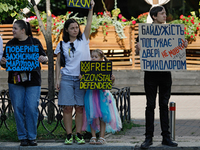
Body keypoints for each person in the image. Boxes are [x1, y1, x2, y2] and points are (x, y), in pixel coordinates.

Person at [135, 6, 188, 149]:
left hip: (165, 74)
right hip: (150, 75)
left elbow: (176, 50)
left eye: (165, 13)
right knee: (150, 105)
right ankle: (148, 138)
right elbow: (137, 50)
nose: (165, 15)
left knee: (164, 105)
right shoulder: (145, 32)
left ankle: (166, 137)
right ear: (154, 16)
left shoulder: (171, 32)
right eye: (162, 13)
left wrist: (183, 46)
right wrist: (138, 48)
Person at [0, 20, 48, 146]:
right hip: (15, 81)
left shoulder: (35, 42)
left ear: (23, 30)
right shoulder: (10, 44)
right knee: (18, 108)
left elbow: (44, 58)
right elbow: (5, 63)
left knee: (31, 108)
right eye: (12, 28)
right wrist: (3, 62)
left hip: (33, 81)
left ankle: (32, 137)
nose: (13, 31)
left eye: (15, 28)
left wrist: (44, 59)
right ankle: (22, 137)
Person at [54, 0, 95, 145]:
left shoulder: (83, 40)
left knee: (79, 108)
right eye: (72, 28)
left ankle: (79, 134)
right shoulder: (61, 44)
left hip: (81, 78)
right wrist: (57, 79)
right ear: (66, 30)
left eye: (76, 27)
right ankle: (69, 135)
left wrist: (91, 9)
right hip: (66, 78)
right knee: (67, 107)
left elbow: (89, 25)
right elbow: (58, 63)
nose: (75, 30)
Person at [82, 49, 122, 145]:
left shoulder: (105, 68)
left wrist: (112, 79)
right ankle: (93, 136)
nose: (93, 58)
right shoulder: (88, 68)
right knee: (91, 115)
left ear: (101, 59)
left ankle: (102, 136)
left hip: (102, 94)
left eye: (96, 57)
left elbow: (109, 82)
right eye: (92, 57)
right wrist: (82, 78)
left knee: (103, 115)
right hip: (91, 94)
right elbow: (85, 81)